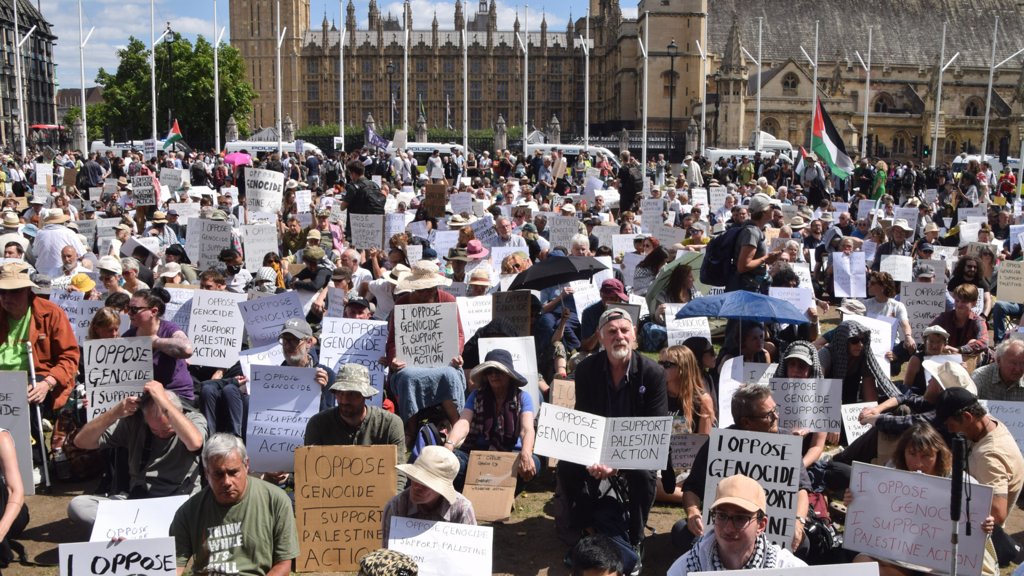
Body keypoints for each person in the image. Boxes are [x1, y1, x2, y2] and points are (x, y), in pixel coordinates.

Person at [557, 308, 668, 549]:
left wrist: (617, 461)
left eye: (624, 330)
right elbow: (584, 419)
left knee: (641, 474)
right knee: (567, 466)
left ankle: (635, 536)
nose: (619, 336)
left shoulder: (653, 373)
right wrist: (592, 457)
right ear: (601, 337)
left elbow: (654, 430)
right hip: (597, 445)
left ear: (634, 334)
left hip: (637, 448)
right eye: (612, 331)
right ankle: (586, 527)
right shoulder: (586, 370)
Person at [843, 422, 997, 576]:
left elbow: (975, 528)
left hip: (941, 557)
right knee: (863, 565)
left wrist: (985, 527)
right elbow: (875, 511)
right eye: (912, 454)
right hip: (901, 551)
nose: (918, 463)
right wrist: (856, 501)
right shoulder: (892, 475)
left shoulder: (961, 483)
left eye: (926, 456)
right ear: (903, 453)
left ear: (938, 454)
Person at [676, 384, 811, 554]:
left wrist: (798, 521)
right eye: (769, 415)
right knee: (681, 531)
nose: (776, 416)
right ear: (746, 422)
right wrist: (693, 513)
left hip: (771, 527)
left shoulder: (786, 442)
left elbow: (802, 490)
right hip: (726, 525)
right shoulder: (719, 444)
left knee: (803, 544)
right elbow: (691, 488)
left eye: (776, 409)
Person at [68, 382, 206, 525]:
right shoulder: (135, 422)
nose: (161, 435)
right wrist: (114, 413)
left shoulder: (194, 420)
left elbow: (195, 443)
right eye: (154, 430)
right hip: (139, 501)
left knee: (192, 517)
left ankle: (135, 528)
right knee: (78, 505)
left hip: (178, 502)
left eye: (167, 430)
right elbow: (81, 442)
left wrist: (162, 400)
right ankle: (135, 529)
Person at [170, 433, 298, 576]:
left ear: (246, 465)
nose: (227, 482)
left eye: (233, 472)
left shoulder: (276, 500)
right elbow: (174, 566)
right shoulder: (189, 511)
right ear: (206, 473)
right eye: (218, 474)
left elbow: (284, 564)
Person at [937, 387, 1024, 567]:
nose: (949, 430)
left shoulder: (989, 456)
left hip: (979, 535)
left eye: (950, 424)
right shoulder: (989, 423)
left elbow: (997, 514)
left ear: (968, 417)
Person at [667, 474, 807, 575]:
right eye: (722, 516)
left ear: (761, 525)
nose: (728, 528)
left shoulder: (787, 569)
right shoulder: (685, 568)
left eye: (740, 518)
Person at [447, 350, 539, 493]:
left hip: (510, 456)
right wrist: (449, 446)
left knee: (535, 463)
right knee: (452, 460)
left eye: (499, 371)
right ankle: (470, 493)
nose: (494, 375)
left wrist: (526, 454)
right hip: (477, 455)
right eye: (490, 371)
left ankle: (505, 496)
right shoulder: (476, 396)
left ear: (509, 374)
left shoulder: (523, 397)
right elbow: (464, 422)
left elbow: (526, 429)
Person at [0, 263, 80, 412]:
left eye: (14, 291)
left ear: (27, 291)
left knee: (30, 395)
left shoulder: (52, 313)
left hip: (35, 380)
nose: (7, 297)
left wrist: (48, 383)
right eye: (2, 292)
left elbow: (69, 357)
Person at [303, 363, 406, 469]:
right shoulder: (318, 424)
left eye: (352, 394)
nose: (344, 400)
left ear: (366, 395)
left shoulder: (390, 424)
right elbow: (310, 469)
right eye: (340, 393)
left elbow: (399, 471)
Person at [380, 445, 476, 544]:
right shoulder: (396, 506)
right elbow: (388, 553)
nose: (417, 486)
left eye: (426, 483)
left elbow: (471, 554)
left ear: (441, 489)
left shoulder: (461, 510)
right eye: (415, 478)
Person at [123, 289, 195, 403]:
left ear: (153, 311)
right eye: (128, 308)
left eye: (134, 309)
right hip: (144, 397)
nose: (129, 313)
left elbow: (187, 349)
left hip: (175, 395)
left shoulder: (170, 329)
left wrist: (155, 341)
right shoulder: (128, 336)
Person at [973, 337, 1024, 401]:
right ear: (999, 361)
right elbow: (969, 404)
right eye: (1013, 363)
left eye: (1023, 363)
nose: (1018, 369)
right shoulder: (981, 376)